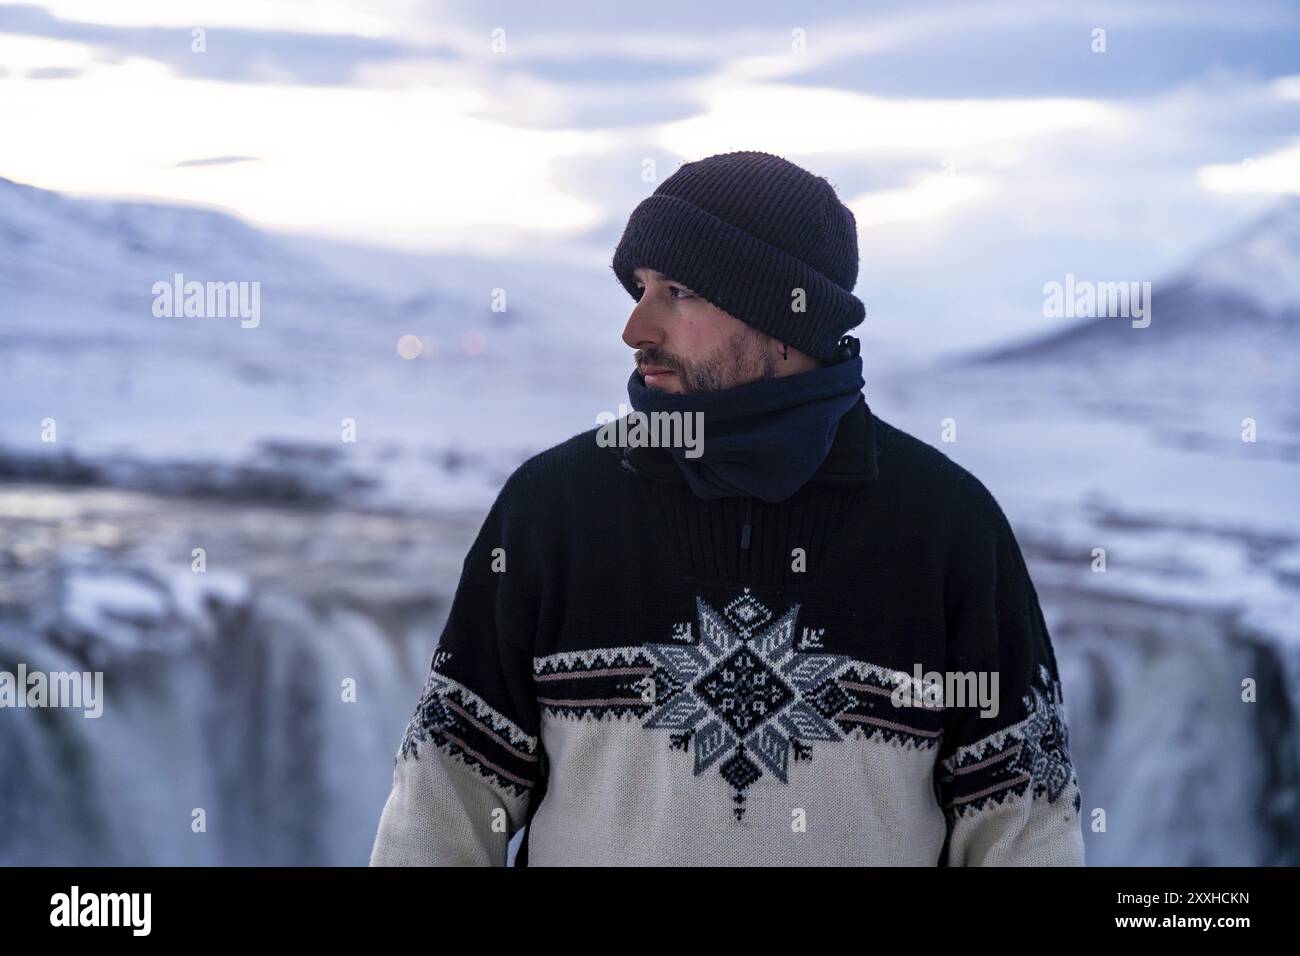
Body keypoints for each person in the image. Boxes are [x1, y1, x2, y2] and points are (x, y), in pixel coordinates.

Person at [369, 150, 1086, 866]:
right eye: (639, 288)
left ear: (787, 320)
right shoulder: (553, 511)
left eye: (678, 291)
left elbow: (1027, 836)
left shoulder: (947, 529)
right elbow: (440, 813)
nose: (635, 329)